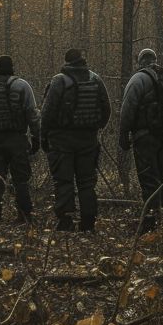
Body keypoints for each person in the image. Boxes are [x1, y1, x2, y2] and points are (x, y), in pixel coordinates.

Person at [41, 48, 110, 232]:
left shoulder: (59, 81)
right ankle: (88, 223)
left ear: (66, 62)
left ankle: (66, 222)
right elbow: (106, 109)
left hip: (61, 141)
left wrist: (43, 137)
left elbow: (47, 113)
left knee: (64, 182)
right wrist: (95, 127)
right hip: (88, 140)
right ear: (83, 60)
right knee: (87, 183)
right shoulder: (95, 79)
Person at [119, 48, 163, 233]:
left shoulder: (139, 78)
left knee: (148, 179)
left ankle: (149, 225)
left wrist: (123, 133)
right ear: (155, 60)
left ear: (140, 61)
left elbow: (128, 107)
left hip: (145, 138)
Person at [0, 54, 40, 223]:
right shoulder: (22, 85)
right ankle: (24, 215)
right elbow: (32, 114)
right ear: (12, 66)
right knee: (21, 180)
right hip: (17, 139)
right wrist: (36, 137)